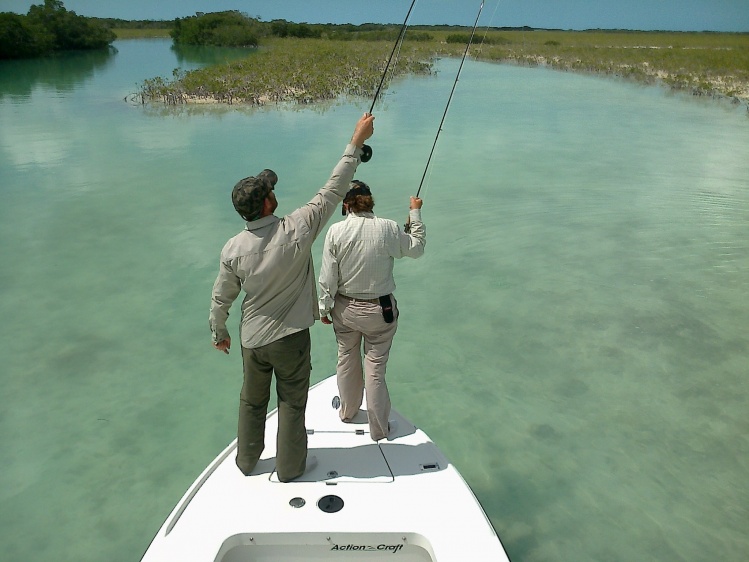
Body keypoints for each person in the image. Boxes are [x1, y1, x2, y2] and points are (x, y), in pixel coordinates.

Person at [209, 113, 375, 482]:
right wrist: (355, 142)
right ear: (268, 204)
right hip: (290, 340)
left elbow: (221, 299)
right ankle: (289, 470)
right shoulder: (297, 228)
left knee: (252, 403)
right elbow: (334, 189)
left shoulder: (232, 248)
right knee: (291, 404)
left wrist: (218, 333)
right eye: (269, 190)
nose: (272, 190)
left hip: (252, 341)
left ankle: (247, 463)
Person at [318, 180, 425, 441]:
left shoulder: (335, 232)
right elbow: (416, 248)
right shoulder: (387, 228)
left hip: (345, 311)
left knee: (346, 359)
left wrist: (324, 306)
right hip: (381, 312)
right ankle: (379, 430)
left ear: (346, 205)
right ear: (370, 201)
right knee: (374, 369)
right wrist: (415, 213)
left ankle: (348, 412)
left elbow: (327, 277)